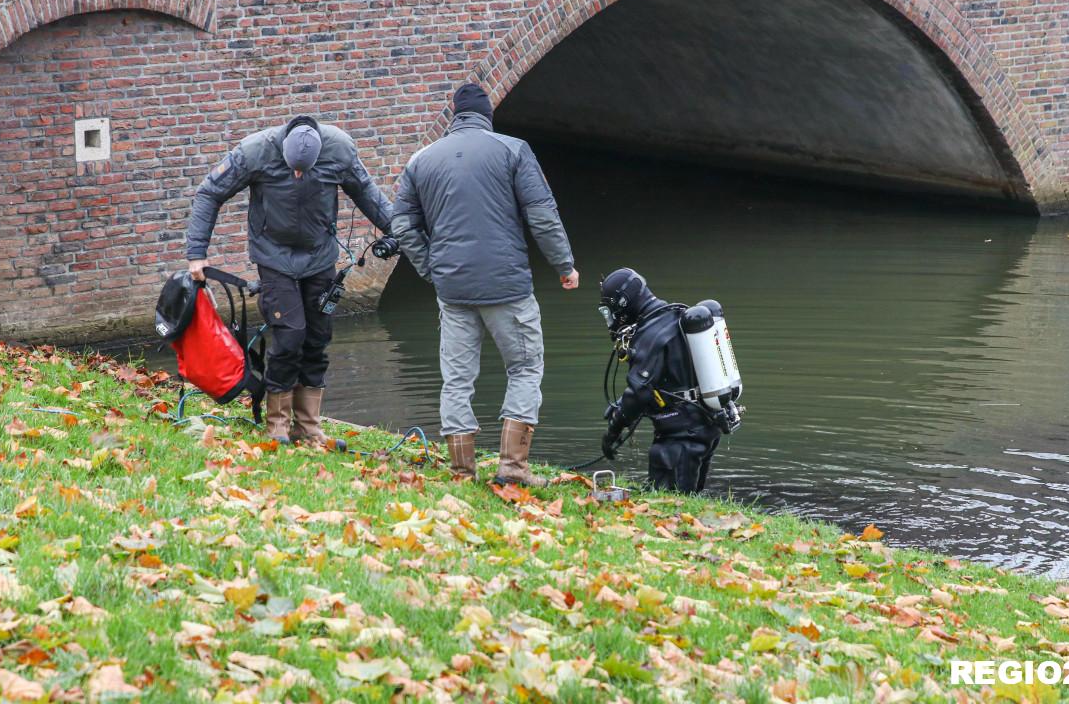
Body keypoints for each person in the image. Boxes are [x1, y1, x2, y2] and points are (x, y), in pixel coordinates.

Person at [392, 82, 579, 485]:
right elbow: (542, 216)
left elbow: (402, 224)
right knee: (526, 367)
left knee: (457, 380)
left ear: (452, 113)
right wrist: (564, 265)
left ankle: (462, 471)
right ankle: (512, 468)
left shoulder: (420, 161)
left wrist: (431, 268)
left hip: (453, 290)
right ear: (487, 114)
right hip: (507, 287)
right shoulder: (514, 150)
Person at [185, 115, 394, 444]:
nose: (298, 175)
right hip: (274, 256)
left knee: (317, 338)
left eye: (304, 171)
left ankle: (309, 427)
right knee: (290, 335)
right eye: (292, 169)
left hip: (319, 256)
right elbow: (210, 192)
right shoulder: (256, 151)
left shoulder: (339, 150)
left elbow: (367, 193)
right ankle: (277, 424)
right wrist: (197, 253)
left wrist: (399, 232)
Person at [598, 268, 722, 493]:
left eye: (609, 311)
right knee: (689, 501)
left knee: (669, 504)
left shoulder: (650, 335)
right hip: (704, 425)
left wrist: (613, 431)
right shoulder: (674, 316)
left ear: (622, 304)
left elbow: (639, 393)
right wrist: (620, 403)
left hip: (679, 438)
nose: (611, 319)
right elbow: (670, 381)